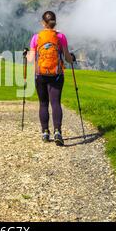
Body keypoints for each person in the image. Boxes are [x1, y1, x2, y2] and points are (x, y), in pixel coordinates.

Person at [27, 11, 74, 146]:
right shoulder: (61, 37)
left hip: (40, 75)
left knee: (43, 104)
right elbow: (67, 57)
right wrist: (72, 58)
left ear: (43, 23)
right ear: (54, 22)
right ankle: (58, 131)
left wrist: (26, 54)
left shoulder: (36, 37)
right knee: (55, 103)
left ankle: (45, 132)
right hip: (57, 75)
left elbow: (30, 59)